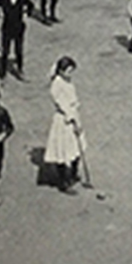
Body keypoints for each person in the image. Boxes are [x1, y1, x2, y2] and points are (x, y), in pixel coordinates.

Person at [43, 56, 86, 194]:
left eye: (72, 71)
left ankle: (73, 174)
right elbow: (62, 104)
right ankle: (63, 182)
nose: (70, 74)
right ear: (60, 71)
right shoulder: (56, 84)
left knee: (77, 149)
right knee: (62, 152)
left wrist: (77, 119)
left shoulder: (68, 81)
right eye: (68, 71)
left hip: (74, 116)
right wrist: (73, 118)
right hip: (63, 119)